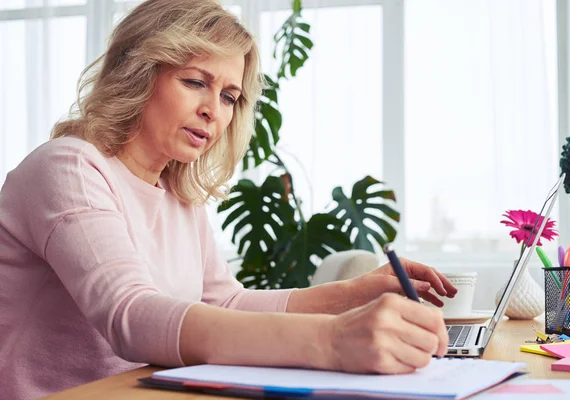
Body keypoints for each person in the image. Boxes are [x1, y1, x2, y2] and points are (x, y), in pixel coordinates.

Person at [0, 0, 457, 398]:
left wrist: (349, 295)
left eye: (229, 96)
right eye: (195, 82)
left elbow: (226, 304)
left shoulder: (178, 193)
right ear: (137, 72)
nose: (213, 110)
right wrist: (332, 341)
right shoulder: (68, 167)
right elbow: (131, 316)